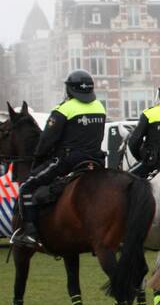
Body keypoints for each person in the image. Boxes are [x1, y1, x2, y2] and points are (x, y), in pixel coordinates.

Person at [11, 70, 107, 249]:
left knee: (27, 186)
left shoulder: (64, 109)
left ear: (70, 90)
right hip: (96, 161)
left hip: (68, 160)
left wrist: (38, 158)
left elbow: (46, 141)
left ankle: (30, 233)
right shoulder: (100, 107)